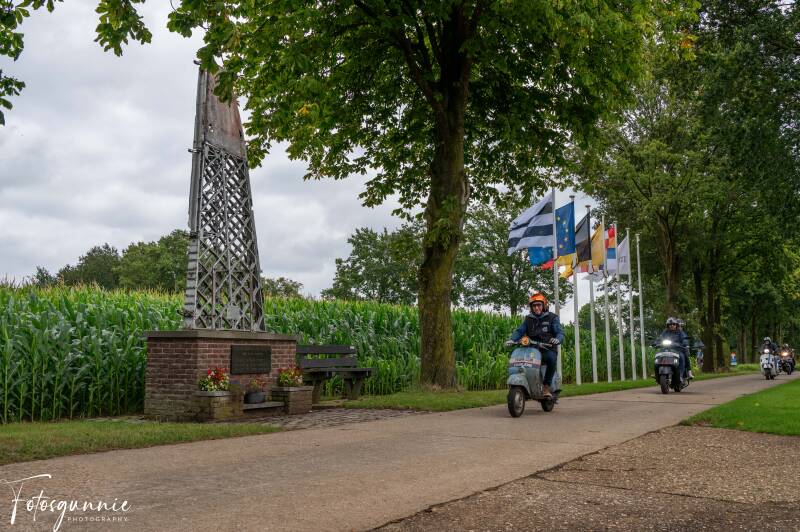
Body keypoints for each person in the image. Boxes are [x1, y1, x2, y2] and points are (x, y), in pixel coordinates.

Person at [507, 292, 564, 398]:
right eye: (534, 306)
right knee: (519, 362)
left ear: (544, 305)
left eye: (539, 305)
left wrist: (557, 339)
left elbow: (559, 332)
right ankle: (526, 384)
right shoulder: (528, 319)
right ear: (531, 307)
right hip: (532, 349)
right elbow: (520, 331)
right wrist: (512, 339)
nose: (536, 308)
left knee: (551, 359)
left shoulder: (552, 317)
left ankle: (546, 386)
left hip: (548, 348)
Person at [657, 317, 690, 383]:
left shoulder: (680, 332)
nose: (672, 325)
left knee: (682, 357)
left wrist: (685, 342)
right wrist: (656, 342)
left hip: (677, 350)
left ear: (676, 325)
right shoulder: (665, 332)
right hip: (666, 349)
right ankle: (657, 372)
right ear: (668, 325)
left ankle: (680, 375)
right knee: (658, 356)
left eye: (673, 324)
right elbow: (660, 338)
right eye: (670, 324)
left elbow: (684, 338)